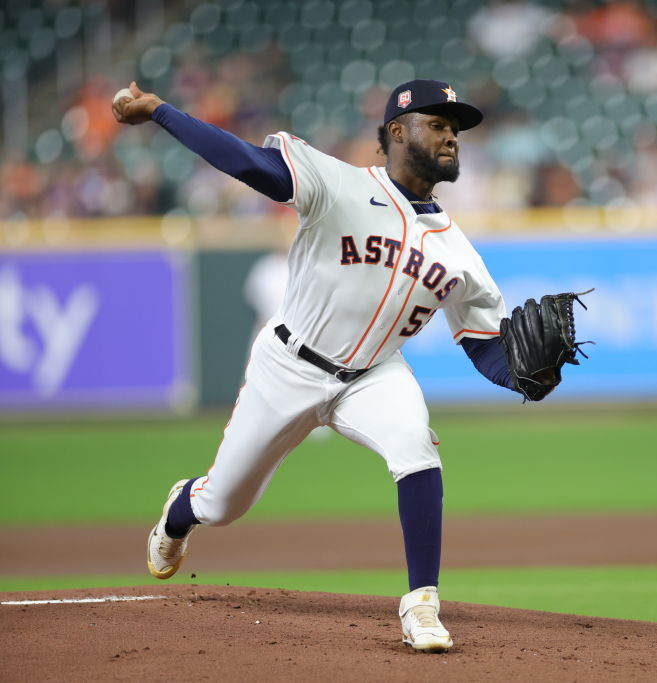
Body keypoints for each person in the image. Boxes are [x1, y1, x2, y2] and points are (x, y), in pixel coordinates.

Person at [112, 78, 527, 653]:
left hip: (375, 375)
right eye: (438, 124)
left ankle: (422, 603)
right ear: (397, 131)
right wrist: (160, 111)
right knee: (224, 504)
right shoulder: (339, 184)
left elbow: (487, 346)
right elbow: (249, 165)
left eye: (455, 129)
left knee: (416, 447)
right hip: (288, 365)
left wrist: (526, 377)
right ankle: (183, 509)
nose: (451, 137)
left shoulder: (461, 254)